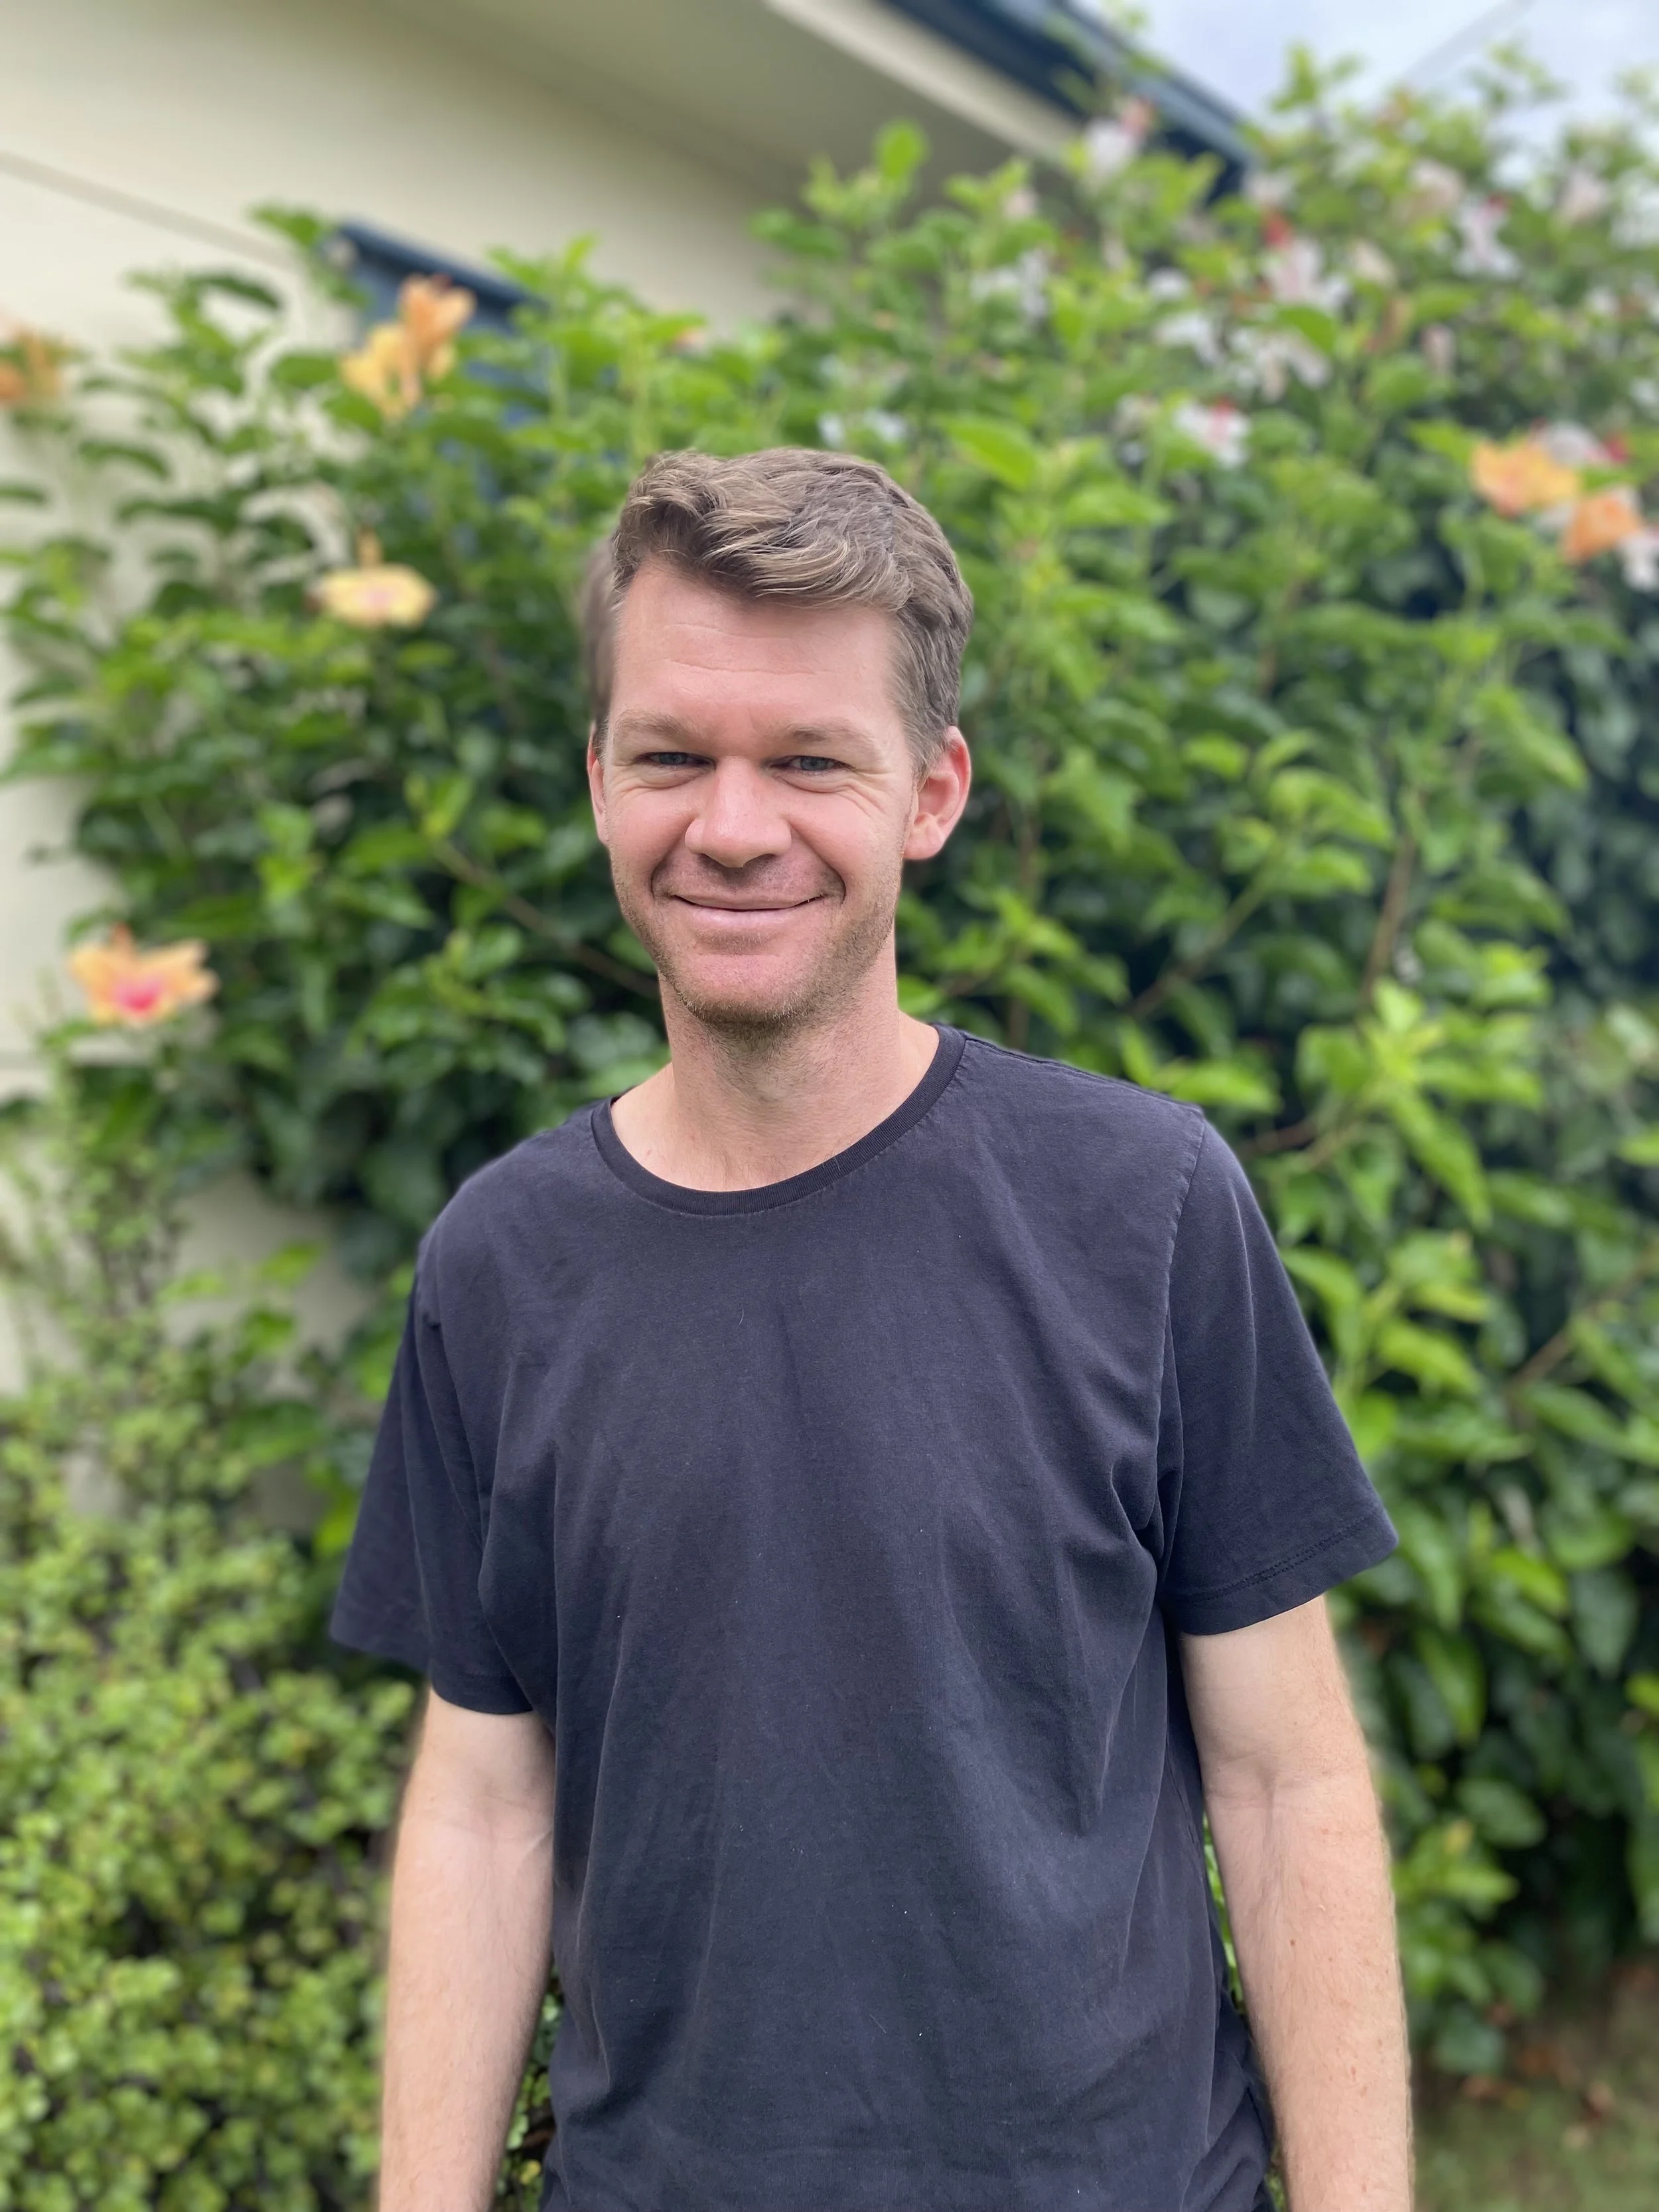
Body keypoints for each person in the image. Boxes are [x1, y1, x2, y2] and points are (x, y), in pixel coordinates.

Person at [332, 448, 1411, 2212]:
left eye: (809, 759)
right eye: (672, 754)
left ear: (930, 790)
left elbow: (1285, 1781)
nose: (733, 825)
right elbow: (483, 1798)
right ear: (600, 777)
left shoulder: (1138, 1208)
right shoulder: (498, 1266)